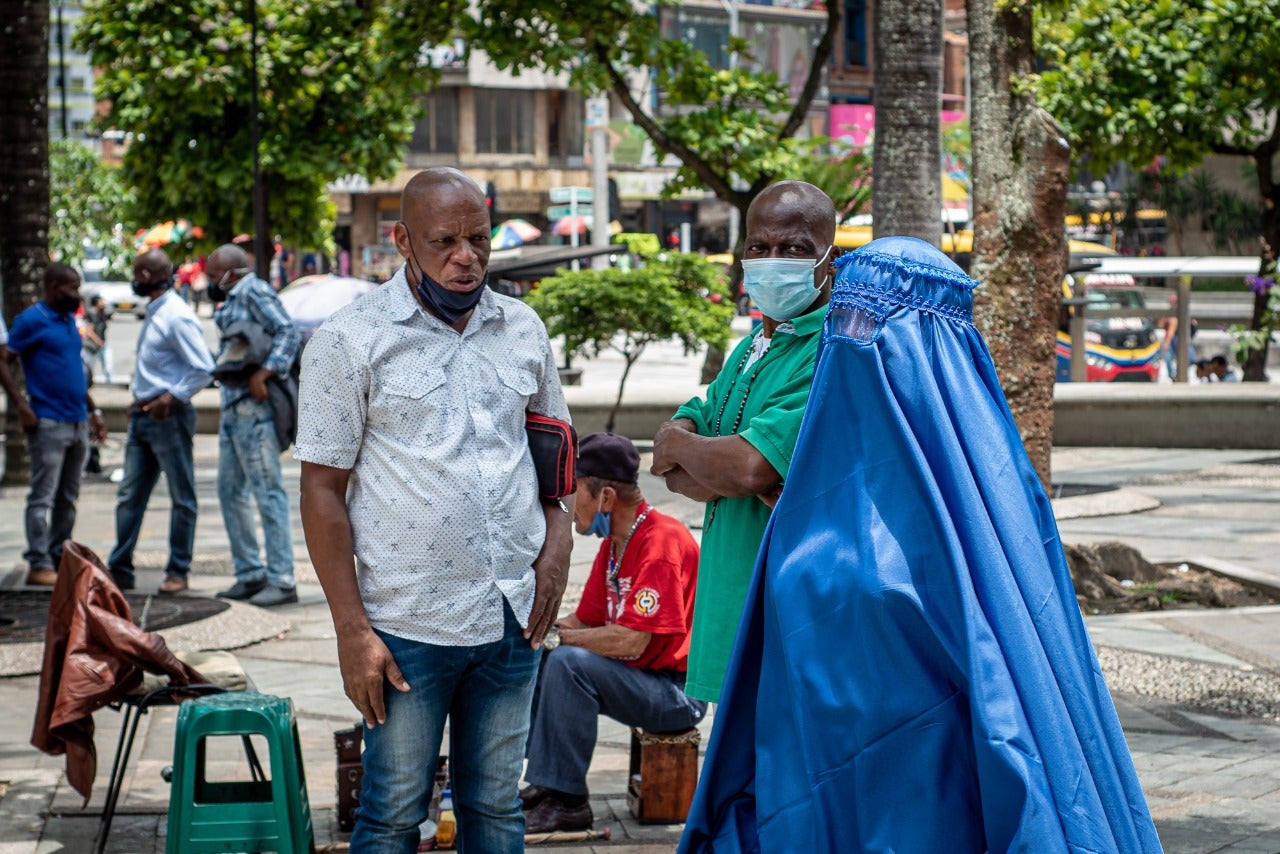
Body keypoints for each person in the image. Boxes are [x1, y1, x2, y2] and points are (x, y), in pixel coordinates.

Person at [680, 237, 1162, 853]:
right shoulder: (826, 497)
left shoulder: (993, 498)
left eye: (874, 325)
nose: (853, 342)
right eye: (844, 321)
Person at [295, 167, 573, 853]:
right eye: (444, 241)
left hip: (513, 614)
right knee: (391, 815)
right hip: (405, 626)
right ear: (403, 241)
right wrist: (351, 630)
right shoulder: (351, 338)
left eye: (478, 239)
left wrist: (559, 539)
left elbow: (554, 459)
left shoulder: (522, 328)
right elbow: (321, 490)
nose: (466, 257)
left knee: (496, 808)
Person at [650, 180, 839, 702]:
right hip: (728, 613)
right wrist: (701, 451)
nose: (772, 260)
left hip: (786, 620)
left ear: (830, 259)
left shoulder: (831, 351)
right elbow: (680, 468)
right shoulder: (752, 345)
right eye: (760, 247)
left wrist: (685, 445)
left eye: (795, 249)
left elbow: (749, 469)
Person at [521, 433, 706, 835]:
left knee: (568, 662)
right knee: (541, 652)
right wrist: (532, 630)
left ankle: (568, 800)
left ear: (605, 498)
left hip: (675, 693)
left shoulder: (660, 543)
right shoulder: (615, 546)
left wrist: (558, 639)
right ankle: (545, 783)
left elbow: (631, 639)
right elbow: (584, 621)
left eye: (577, 498)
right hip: (641, 680)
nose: (571, 510)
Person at [106, 249, 214, 594]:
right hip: (143, 417)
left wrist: (168, 398)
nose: (133, 280)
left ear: (151, 277)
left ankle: (178, 570)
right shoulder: (154, 312)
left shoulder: (176, 316)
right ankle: (120, 568)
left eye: (138, 273)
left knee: (182, 496)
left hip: (169, 417)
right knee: (130, 496)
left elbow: (203, 369)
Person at [205, 242, 302, 607]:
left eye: (215, 276)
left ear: (234, 272)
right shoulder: (233, 297)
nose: (211, 282)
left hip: (253, 409)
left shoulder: (254, 290)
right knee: (230, 492)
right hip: (233, 405)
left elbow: (288, 333)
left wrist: (264, 373)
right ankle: (250, 573)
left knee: (267, 493)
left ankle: (282, 578)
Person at [2, 264, 107, 585]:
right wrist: (21, 406)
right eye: (70, 288)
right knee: (42, 496)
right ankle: (38, 561)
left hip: (77, 419)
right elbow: (3, 359)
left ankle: (59, 556)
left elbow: (74, 371)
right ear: (51, 286)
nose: (76, 295)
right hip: (48, 420)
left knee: (68, 496)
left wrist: (94, 412)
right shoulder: (32, 320)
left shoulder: (66, 321)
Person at [83, 295, 113, 385]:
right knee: (89, 367)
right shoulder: (92, 315)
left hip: (103, 344)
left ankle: (109, 384)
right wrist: (98, 341)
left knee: (109, 366)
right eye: (101, 301)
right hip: (93, 346)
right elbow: (89, 331)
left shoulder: (103, 314)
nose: (103, 303)